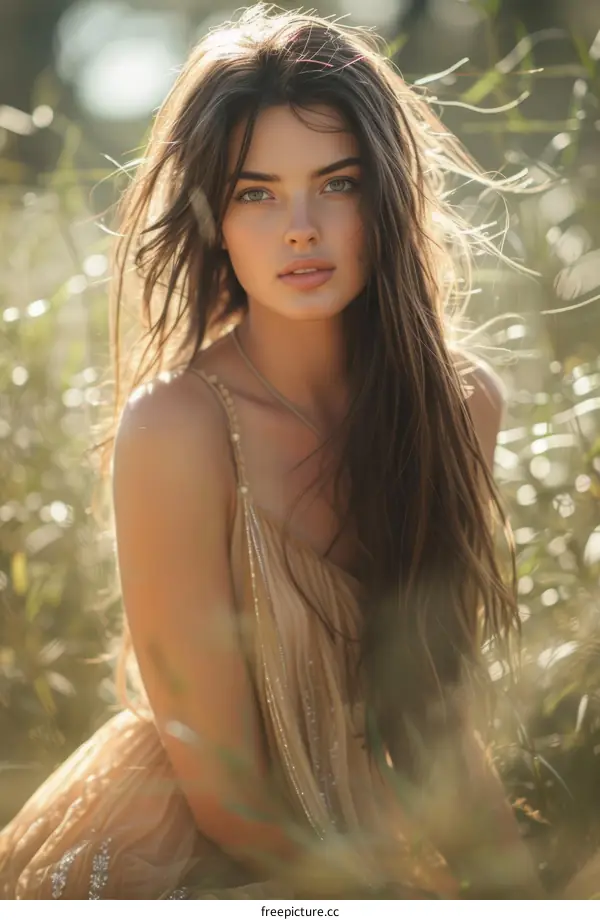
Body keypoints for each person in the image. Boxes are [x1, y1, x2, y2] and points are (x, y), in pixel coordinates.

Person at [0, 4, 544, 899]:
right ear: (214, 219)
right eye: (256, 192)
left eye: (337, 183)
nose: (301, 227)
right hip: (198, 858)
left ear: (388, 198)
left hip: (365, 842)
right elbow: (226, 795)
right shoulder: (178, 427)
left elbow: (435, 720)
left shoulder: (460, 404)